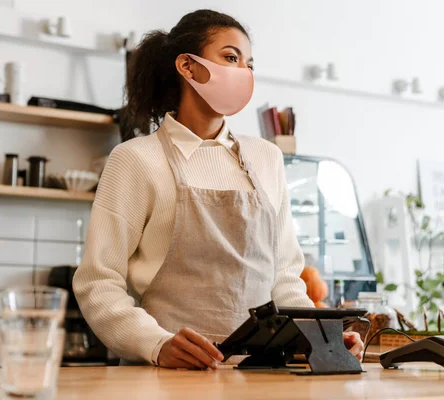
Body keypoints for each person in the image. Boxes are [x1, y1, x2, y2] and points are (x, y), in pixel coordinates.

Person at [73, 9, 363, 369]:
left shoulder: (267, 158)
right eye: (230, 58)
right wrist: (156, 344)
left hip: (259, 375)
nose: (243, 73)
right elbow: (98, 281)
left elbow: (285, 278)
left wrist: (323, 339)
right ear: (187, 66)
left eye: (249, 64)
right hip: (163, 376)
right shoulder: (135, 160)